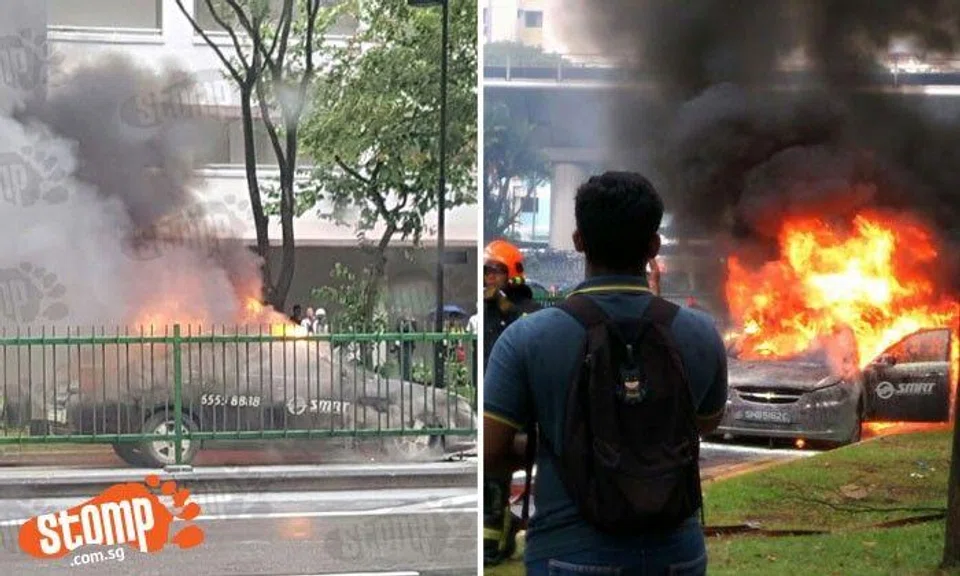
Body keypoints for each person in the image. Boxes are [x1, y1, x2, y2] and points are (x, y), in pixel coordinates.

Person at [484, 171, 728, 575]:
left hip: (571, 554)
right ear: (654, 246)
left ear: (579, 240)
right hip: (677, 556)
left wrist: (559, 438)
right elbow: (701, 423)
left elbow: (492, 452)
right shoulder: (700, 334)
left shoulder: (527, 337)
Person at [482, 238, 541, 565]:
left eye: (495, 272)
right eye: (485, 272)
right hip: (493, 406)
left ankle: (492, 544)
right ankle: (496, 538)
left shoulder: (526, 313)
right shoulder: (488, 313)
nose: (488, 279)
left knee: (494, 474)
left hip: (517, 414)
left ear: (513, 275)